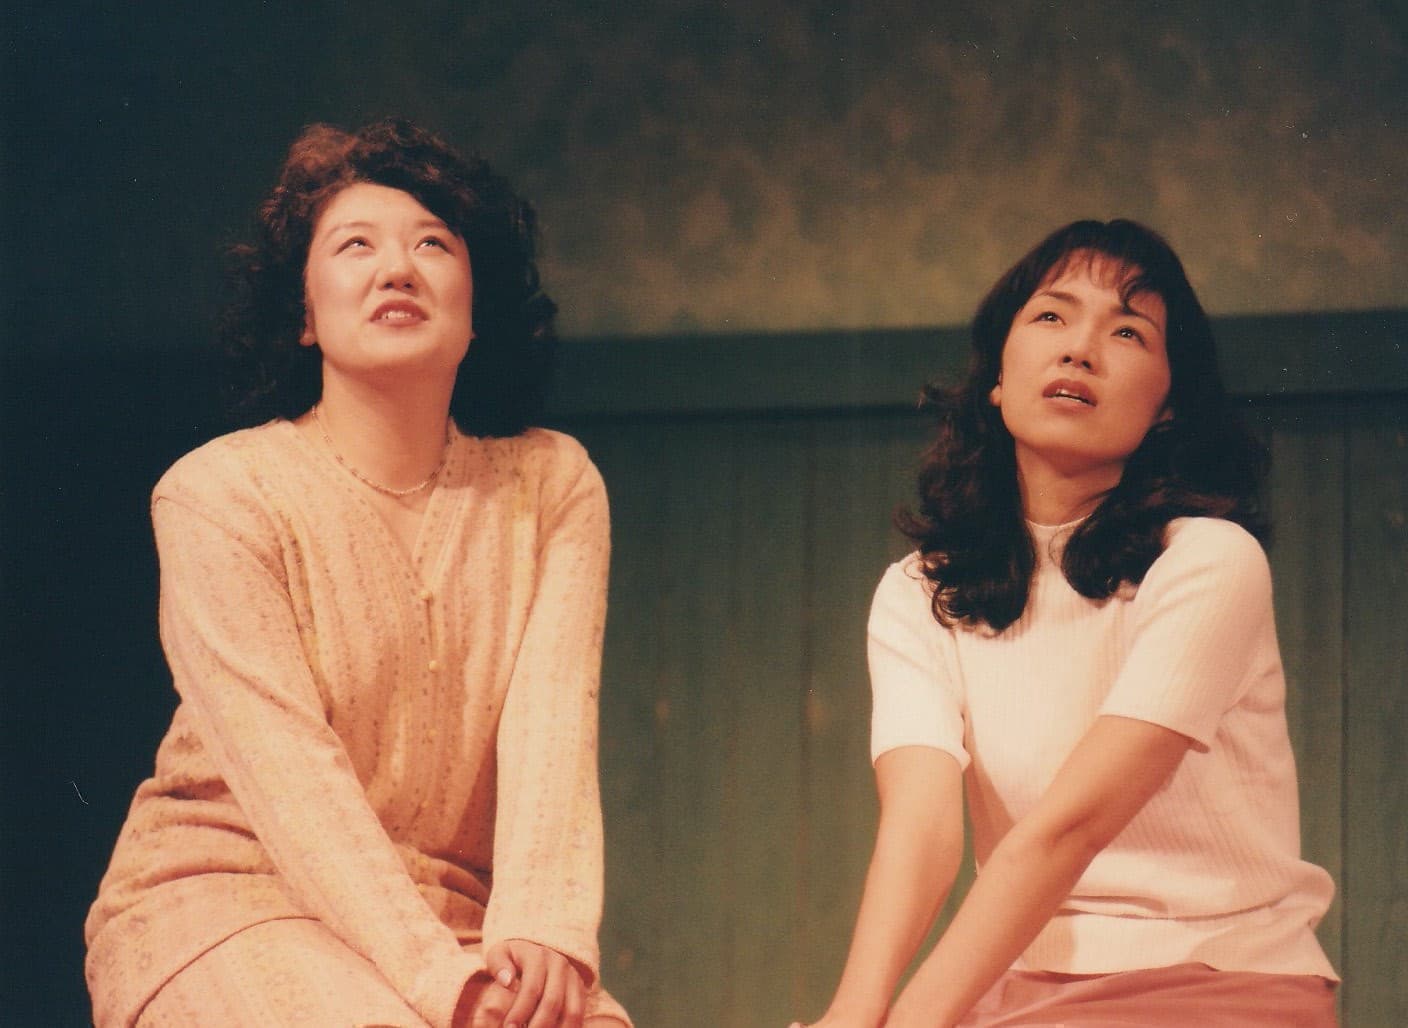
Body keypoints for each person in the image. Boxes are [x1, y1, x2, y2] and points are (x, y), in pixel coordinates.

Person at [85, 118, 631, 1028]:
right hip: (229, 899)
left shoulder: (552, 483)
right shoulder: (219, 493)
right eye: (355, 246)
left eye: (433, 244)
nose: (398, 269)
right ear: (304, 315)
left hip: (461, 918)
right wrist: (442, 988)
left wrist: (541, 931)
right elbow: (290, 782)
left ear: (477, 309)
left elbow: (552, 732)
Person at [796, 220, 1339, 1027]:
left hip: (1216, 977)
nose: (1080, 349)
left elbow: (1065, 832)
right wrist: (853, 1014)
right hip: (1018, 984)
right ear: (998, 376)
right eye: (1051, 316)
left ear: (1167, 407)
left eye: (1127, 332)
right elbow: (923, 832)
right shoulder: (918, 591)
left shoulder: (1208, 560)